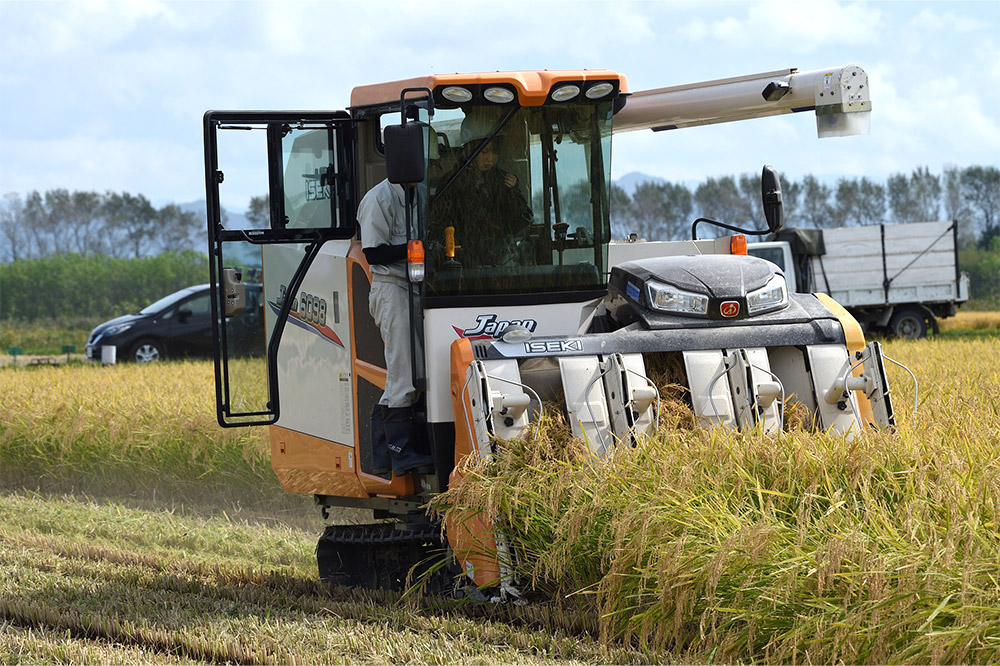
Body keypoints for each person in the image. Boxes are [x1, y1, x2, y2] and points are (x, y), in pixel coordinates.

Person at [357, 179, 434, 476]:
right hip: (391, 288)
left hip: (415, 286)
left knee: (413, 369)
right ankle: (400, 453)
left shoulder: (422, 192)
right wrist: (417, 247)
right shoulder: (378, 197)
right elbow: (373, 253)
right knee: (403, 370)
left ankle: (387, 455)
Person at [431, 139, 533, 267]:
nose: (490, 158)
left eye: (495, 152)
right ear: (469, 151)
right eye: (484, 152)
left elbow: (519, 223)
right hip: (463, 263)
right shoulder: (451, 183)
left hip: (501, 259)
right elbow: (439, 226)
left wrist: (512, 194)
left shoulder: (503, 181)